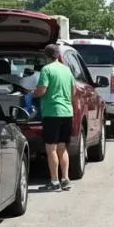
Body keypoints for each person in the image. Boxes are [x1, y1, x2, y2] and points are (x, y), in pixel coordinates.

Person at [31, 44, 75, 191]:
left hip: (52, 112)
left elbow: (42, 90)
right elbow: (73, 91)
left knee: (51, 149)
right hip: (67, 112)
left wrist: (32, 94)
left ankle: (54, 182)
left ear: (46, 56)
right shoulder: (66, 70)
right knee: (62, 147)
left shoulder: (46, 69)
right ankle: (65, 179)